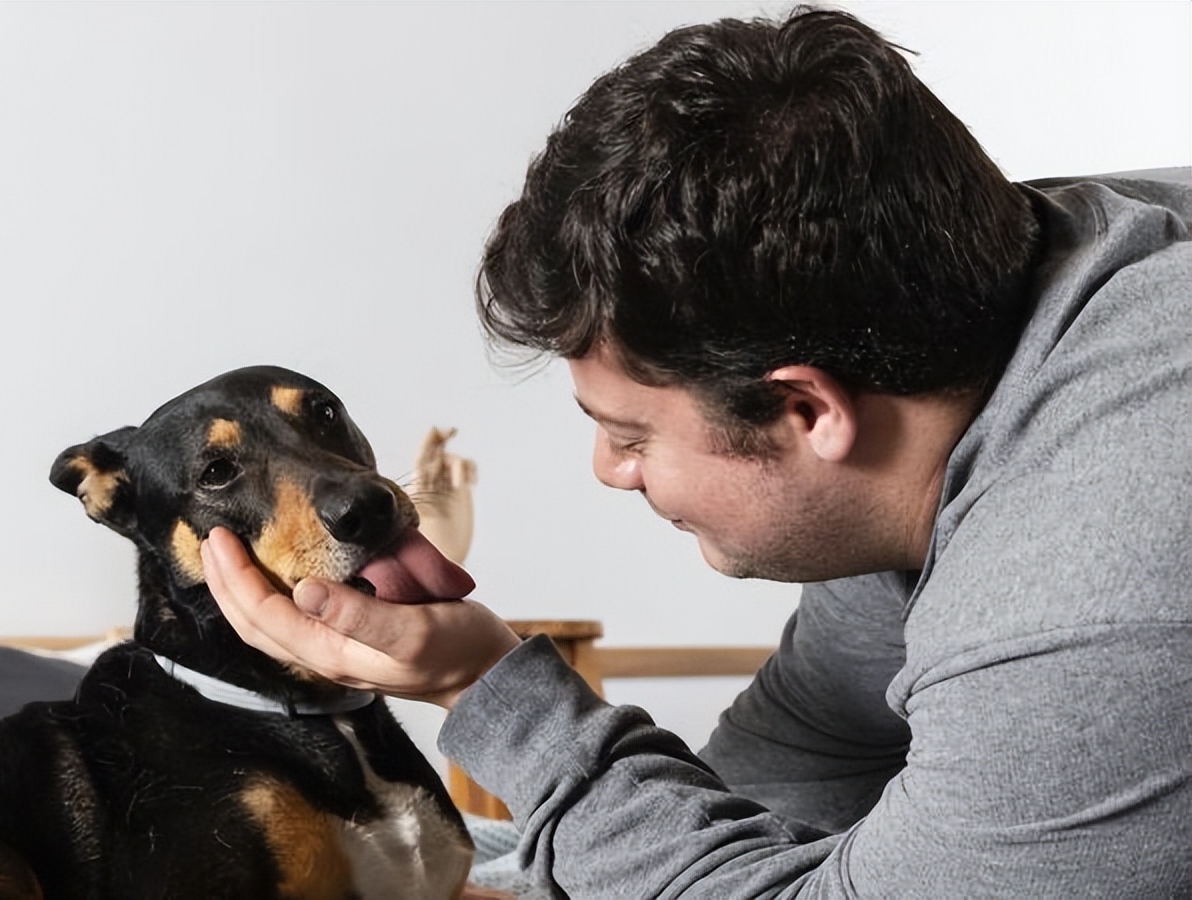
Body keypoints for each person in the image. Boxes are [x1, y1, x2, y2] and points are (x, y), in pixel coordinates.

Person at [202, 8, 1191, 897]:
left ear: (806, 410)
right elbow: (799, 765)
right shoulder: (961, 326)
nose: (609, 470)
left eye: (630, 435)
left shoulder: (1099, 570)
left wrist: (487, 694)